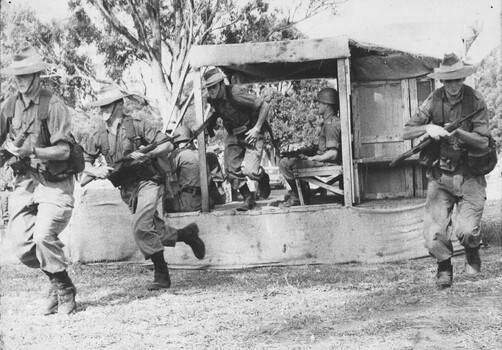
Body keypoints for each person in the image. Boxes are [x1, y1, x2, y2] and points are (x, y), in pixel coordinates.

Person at [84, 85, 206, 290]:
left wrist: (148, 154)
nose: (103, 110)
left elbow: (167, 145)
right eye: (100, 106)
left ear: (119, 105)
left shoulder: (138, 126)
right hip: (128, 188)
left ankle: (162, 274)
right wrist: (97, 172)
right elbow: (85, 163)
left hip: (148, 181)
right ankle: (187, 235)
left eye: (107, 105)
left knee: (141, 227)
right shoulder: (97, 135)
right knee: (154, 230)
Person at [402, 53, 491, 288]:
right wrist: (429, 127)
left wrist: (458, 133)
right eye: (447, 81)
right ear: (441, 81)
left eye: (457, 80)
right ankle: (444, 267)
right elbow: (406, 131)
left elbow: (483, 141)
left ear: (463, 79)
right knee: (433, 233)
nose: (452, 86)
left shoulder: (476, 101)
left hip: (471, 174)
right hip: (440, 175)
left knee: (467, 231)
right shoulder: (434, 99)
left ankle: (472, 251)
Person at [0, 45, 78, 314]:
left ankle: (65, 288)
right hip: (24, 183)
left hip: (53, 183)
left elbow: (65, 150)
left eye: (25, 74)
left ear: (37, 75)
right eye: (16, 75)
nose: (19, 80)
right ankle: (55, 276)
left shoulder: (53, 105)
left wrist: (32, 150)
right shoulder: (9, 107)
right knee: (21, 247)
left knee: (44, 235)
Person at [202, 68, 271, 211]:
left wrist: (257, 128)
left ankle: (263, 178)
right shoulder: (214, 100)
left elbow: (264, 104)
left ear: (221, 84)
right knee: (230, 169)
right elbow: (219, 113)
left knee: (252, 171)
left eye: (214, 87)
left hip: (251, 131)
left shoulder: (235, 93)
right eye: (208, 88)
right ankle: (247, 197)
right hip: (234, 134)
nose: (211, 91)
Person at [278, 87, 342, 207]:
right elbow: (322, 147)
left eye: (319, 103)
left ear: (327, 105)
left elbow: (333, 154)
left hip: (328, 163)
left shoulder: (331, 125)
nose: (317, 105)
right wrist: (302, 152)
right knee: (293, 159)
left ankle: (298, 195)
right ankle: (302, 193)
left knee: (285, 164)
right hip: (325, 161)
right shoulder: (329, 122)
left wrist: (312, 159)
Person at [165, 125, 226, 213]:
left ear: (176, 142)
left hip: (191, 202)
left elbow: (165, 172)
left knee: (162, 203)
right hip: (208, 200)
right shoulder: (204, 154)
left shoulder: (178, 154)